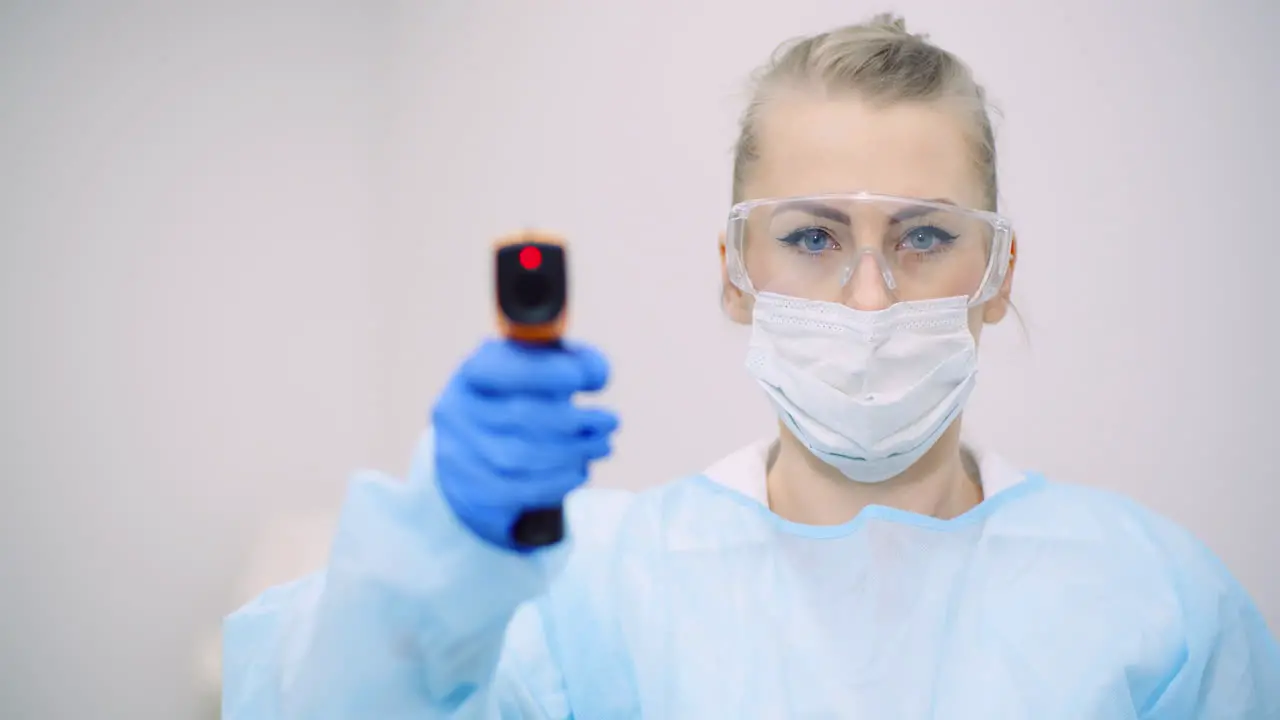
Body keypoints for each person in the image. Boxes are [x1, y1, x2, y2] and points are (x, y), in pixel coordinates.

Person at [222, 14, 1280, 718]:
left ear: (995, 273)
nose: (869, 299)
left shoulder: (1154, 606)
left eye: (921, 237)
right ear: (734, 273)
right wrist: (442, 550)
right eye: (811, 238)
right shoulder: (590, 595)